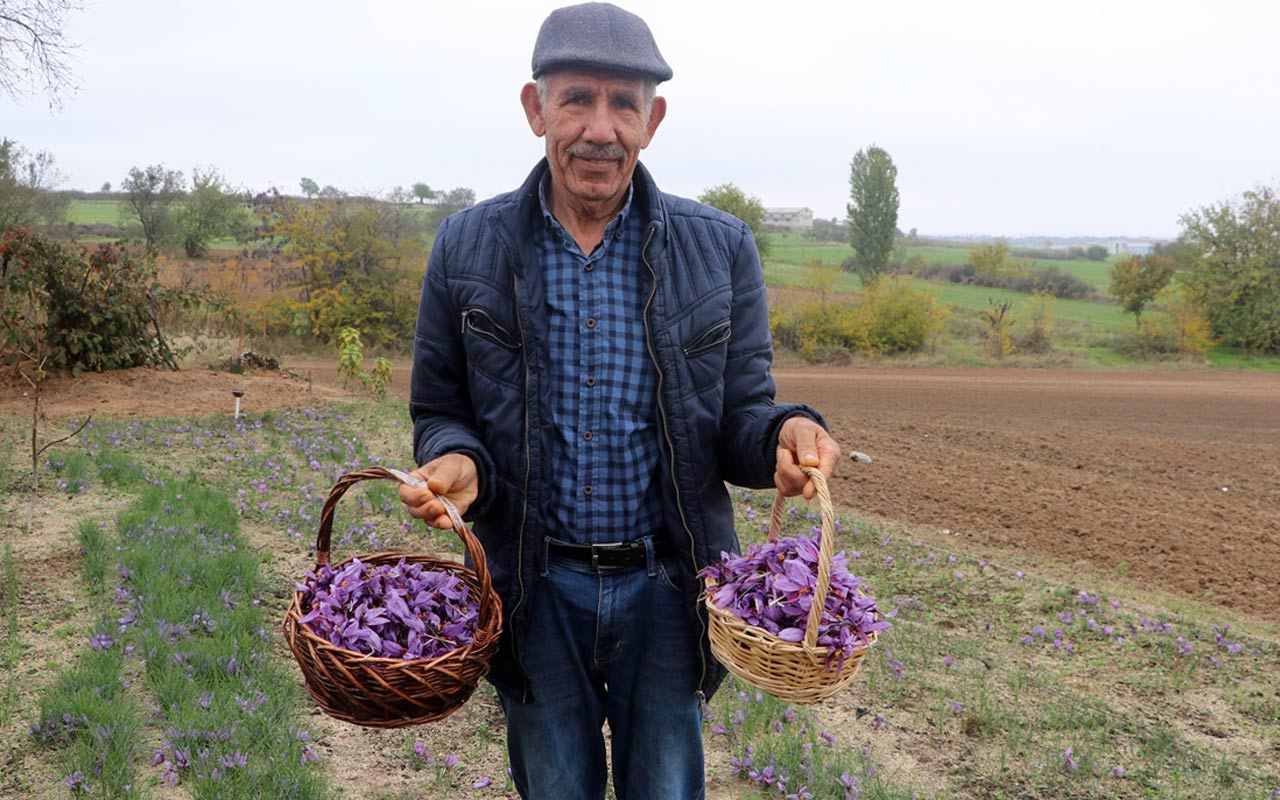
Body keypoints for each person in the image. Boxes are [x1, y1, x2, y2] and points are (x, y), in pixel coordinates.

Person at [398, 3, 840, 798]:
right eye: (576, 99)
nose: (598, 128)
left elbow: (741, 415)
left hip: (671, 592)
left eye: (622, 104)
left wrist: (785, 432)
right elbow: (439, 406)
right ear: (536, 109)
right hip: (533, 589)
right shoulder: (467, 247)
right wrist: (456, 460)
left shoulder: (721, 249)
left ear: (652, 119)